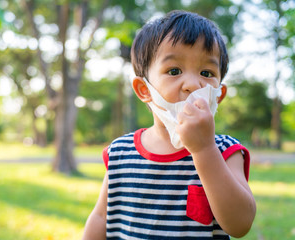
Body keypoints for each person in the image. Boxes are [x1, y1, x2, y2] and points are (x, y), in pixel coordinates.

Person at [82, 10, 256, 240]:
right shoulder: (120, 152)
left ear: (219, 94)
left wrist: (204, 150)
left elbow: (240, 225)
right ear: (144, 90)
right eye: (174, 71)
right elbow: (101, 218)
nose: (193, 84)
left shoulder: (225, 151)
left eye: (206, 72)